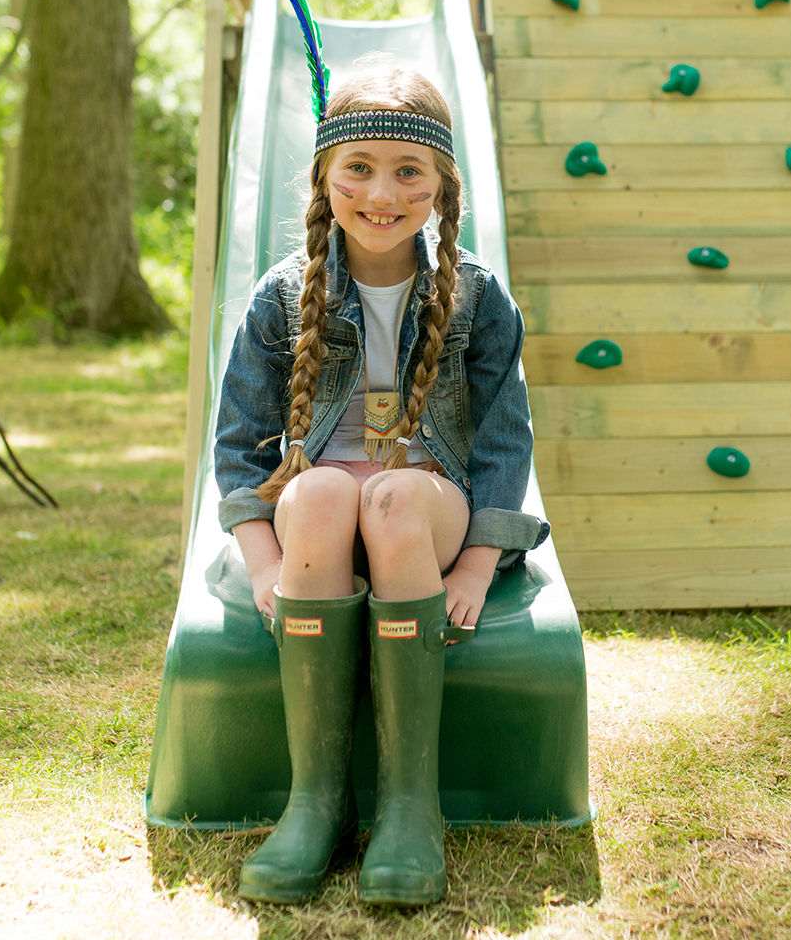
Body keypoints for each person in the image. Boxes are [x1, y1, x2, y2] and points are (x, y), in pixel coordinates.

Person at [214, 60, 548, 906]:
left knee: (390, 495)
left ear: (441, 188)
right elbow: (241, 444)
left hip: (422, 509)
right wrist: (261, 561)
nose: (382, 192)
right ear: (326, 179)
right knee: (326, 489)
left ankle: (409, 807)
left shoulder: (474, 295)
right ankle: (314, 802)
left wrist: (476, 564)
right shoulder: (284, 296)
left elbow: (506, 439)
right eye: (357, 168)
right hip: (318, 520)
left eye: (409, 171)